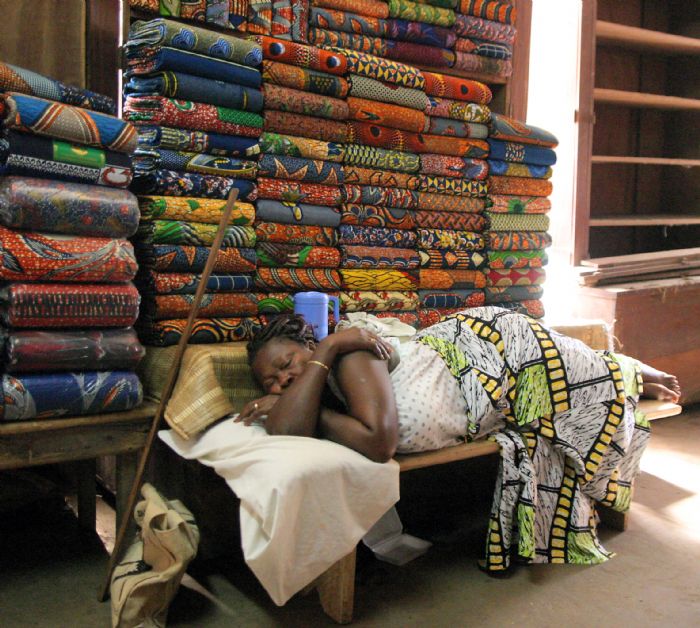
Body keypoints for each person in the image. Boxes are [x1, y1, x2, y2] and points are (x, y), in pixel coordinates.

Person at [238, 306, 681, 572]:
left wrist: (330, 348)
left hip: (488, 346)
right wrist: (295, 401)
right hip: (490, 385)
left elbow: (378, 443)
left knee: (591, 375)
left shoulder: (350, 351)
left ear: (310, 346)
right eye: (272, 382)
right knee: (575, 380)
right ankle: (621, 369)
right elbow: (287, 431)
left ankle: (633, 369)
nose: (284, 379)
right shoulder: (323, 401)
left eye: (287, 362)